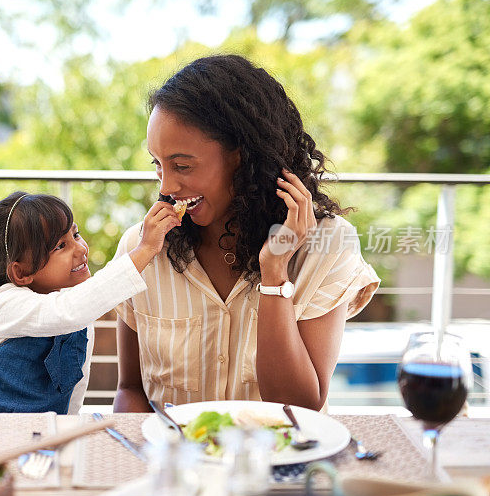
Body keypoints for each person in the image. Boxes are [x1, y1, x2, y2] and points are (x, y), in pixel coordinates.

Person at [113, 54, 380, 412]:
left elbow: (299, 406)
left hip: (276, 462)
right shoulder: (141, 248)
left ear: (242, 157)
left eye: (182, 166)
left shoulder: (328, 246)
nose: (166, 186)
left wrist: (274, 270)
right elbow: (130, 389)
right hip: (175, 461)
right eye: (158, 165)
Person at [0, 191, 180, 414]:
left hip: (41, 436)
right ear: (22, 272)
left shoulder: (78, 312)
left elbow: (72, 394)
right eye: (60, 246)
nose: (80, 249)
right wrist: (145, 249)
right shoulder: (5, 302)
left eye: (75, 234)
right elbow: (69, 311)